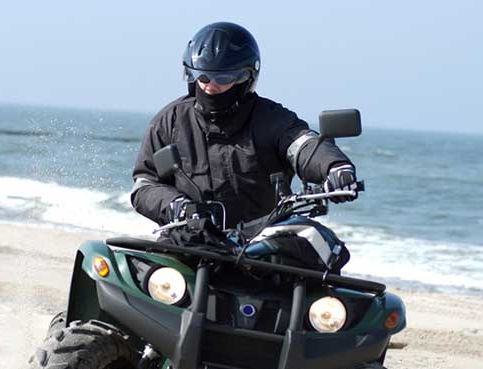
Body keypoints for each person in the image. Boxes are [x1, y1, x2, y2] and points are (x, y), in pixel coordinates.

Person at [130, 21, 358, 230]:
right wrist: (174, 205)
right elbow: (144, 184)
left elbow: (303, 145)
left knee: (317, 251)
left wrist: (334, 167)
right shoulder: (169, 122)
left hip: (262, 241)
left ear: (245, 78)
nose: (211, 87)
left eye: (223, 79)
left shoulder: (271, 119)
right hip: (190, 239)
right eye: (204, 78)